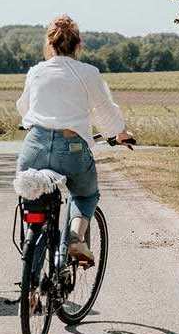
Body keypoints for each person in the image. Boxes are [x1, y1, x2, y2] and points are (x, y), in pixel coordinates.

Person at [16, 14, 132, 264]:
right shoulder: (88, 73)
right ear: (79, 45)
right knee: (85, 195)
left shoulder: (36, 71)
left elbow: (25, 107)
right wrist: (119, 134)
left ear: (50, 45)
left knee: (34, 205)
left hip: (34, 144)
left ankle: (32, 289)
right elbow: (105, 111)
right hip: (72, 147)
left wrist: (33, 122)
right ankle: (76, 239)